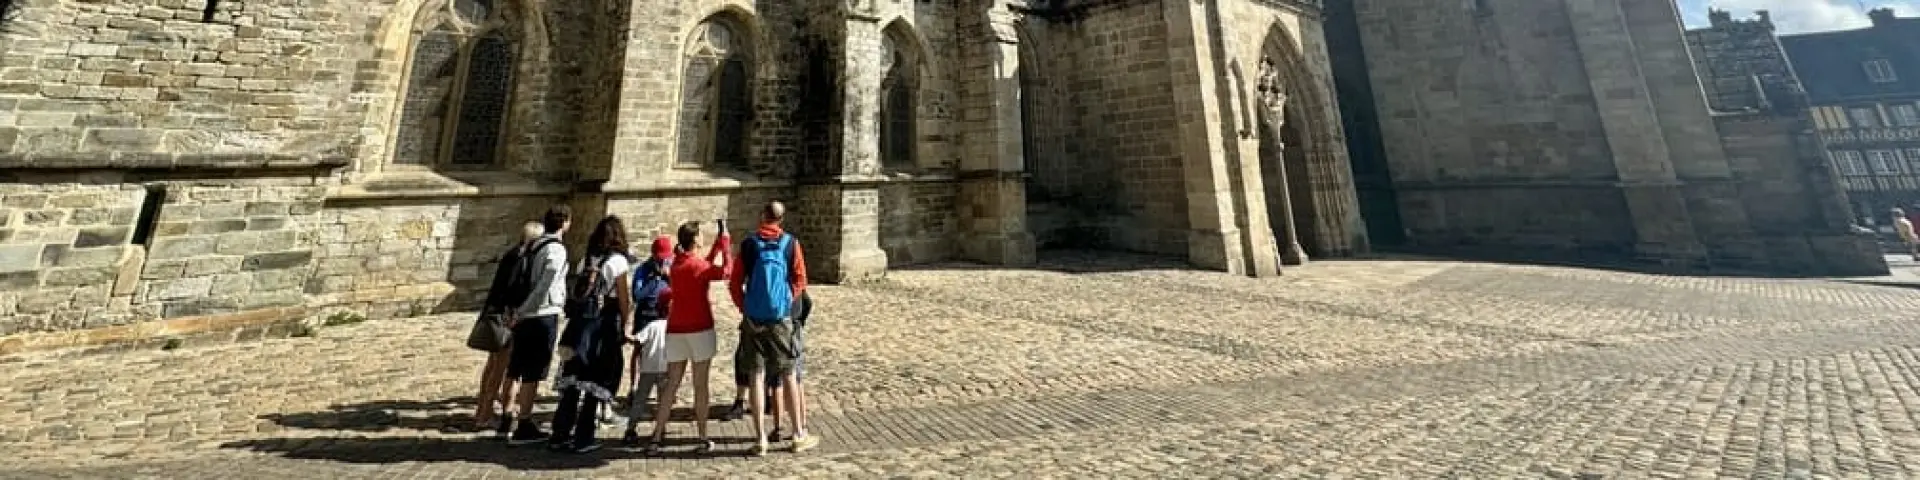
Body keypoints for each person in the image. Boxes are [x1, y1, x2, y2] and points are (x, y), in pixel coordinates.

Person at [729, 201, 819, 455]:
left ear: (762, 217)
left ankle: (760, 439)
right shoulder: (791, 243)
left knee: (756, 376)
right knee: (789, 374)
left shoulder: (749, 244)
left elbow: (735, 282)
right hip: (780, 318)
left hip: (753, 318)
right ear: (781, 219)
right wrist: (786, 301)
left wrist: (743, 306)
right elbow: (801, 278)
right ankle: (799, 434)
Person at [544, 216, 638, 453]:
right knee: (594, 381)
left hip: (578, 327)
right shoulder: (617, 262)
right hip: (602, 327)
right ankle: (584, 436)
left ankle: (560, 433)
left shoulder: (586, 260)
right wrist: (627, 326)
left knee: (572, 382)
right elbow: (624, 300)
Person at [643, 219, 731, 455]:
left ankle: (657, 435)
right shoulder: (696, 266)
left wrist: (716, 246)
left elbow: (702, 266)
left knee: (671, 384)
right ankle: (702, 435)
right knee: (700, 385)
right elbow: (724, 271)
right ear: (694, 239)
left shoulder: (676, 265)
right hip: (700, 328)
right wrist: (725, 245)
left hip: (676, 329)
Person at [504, 205, 571, 445]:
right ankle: (524, 424)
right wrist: (523, 311)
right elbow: (544, 285)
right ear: (564, 222)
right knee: (532, 371)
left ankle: (508, 418)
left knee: (518, 367)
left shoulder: (533, 244)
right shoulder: (555, 249)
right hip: (541, 314)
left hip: (526, 314)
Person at [474, 221, 545, 433]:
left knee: (493, 365)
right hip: (505, 318)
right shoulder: (520, 259)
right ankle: (484, 415)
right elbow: (513, 289)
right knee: (499, 368)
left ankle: (482, 410)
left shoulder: (512, 254)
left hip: (496, 313)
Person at [621, 235, 675, 446]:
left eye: (666, 257)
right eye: (660, 257)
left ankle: (661, 425)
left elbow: (676, 288)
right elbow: (637, 294)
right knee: (638, 351)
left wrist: (668, 277)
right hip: (646, 314)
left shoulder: (671, 266)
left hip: (664, 315)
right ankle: (633, 387)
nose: (663, 261)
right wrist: (654, 279)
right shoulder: (643, 270)